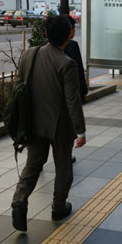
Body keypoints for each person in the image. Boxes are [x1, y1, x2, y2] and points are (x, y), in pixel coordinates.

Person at [11, 16, 86, 231]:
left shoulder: (29, 54)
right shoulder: (66, 63)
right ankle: (58, 207)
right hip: (59, 126)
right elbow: (73, 101)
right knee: (63, 166)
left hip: (33, 123)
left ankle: (19, 202)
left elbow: (17, 88)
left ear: (45, 33)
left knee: (33, 165)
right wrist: (80, 131)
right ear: (68, 36)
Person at [64, 15, 88, 103]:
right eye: (74, 28)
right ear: (70, 30)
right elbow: (79, 70)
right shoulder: (72, 45)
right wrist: (83, 91)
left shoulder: (43, 46)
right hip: (70, 92)